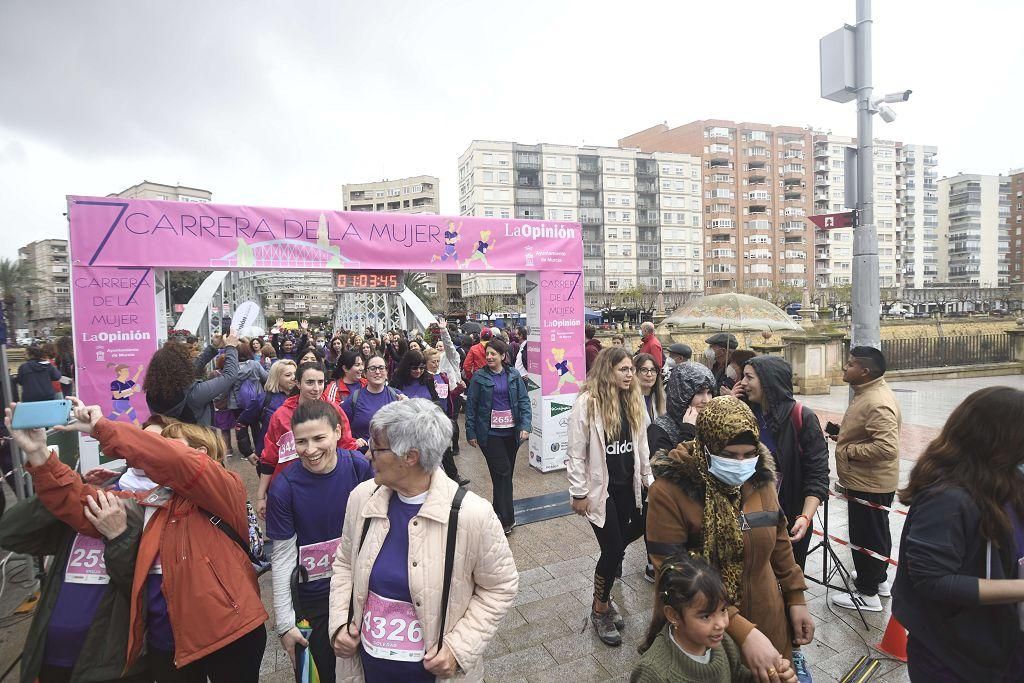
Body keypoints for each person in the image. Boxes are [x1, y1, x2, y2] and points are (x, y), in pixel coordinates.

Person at [8, 400, 269, 682]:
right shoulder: (150, 502)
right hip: (169, 645)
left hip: (228, 634)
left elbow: (175, 461)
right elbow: (79, 503)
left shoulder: (224, 487)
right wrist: (39, 455)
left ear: (200, 453)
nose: (151, 450)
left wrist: (102, 428)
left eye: (165, 443)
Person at [328, 399, 518, 681]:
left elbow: (500, 586)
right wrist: (340, 623)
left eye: (378, 448)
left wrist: (457, 649)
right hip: (368, 670)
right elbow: (344, 564)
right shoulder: (362, 498)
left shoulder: (473, 515)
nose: (368, 454)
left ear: (411, 456)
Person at [646, 396, 814, 679]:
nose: (741, 464)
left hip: (769, 619)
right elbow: (674, 572)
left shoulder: (761, 480)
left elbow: (779, 541)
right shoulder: (669, 491)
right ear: (705, 448)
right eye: (730, 455)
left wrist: (796, 598)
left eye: (749, 454)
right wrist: (741, 630)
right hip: (705, 632)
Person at [0, 418, 168, 683]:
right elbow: (10, 533)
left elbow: (143, 595)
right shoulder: (92, 499)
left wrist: (119, 536)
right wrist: (61, 491)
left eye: (158, 443)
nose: (145, 449)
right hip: (49, 657)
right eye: (141, 440)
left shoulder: (165, 512)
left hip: (110, 668)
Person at [892, 386, 1024, 680]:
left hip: (999, 643)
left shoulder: (1006, 480)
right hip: (953, 655)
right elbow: (933, 581)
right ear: (999, 440)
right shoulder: (947, 497)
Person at [267, 400, 373, 681]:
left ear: (338, 432)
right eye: (301, 441)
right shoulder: (283, 489)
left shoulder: (359, 468)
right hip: (313, 602)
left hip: (360, 592)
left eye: (319, 438)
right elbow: (283, 557)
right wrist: (285, 624)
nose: (310, 450)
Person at [566, 347, 652, 647]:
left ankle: (603, 597)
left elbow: (642, 446)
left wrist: (648, 481)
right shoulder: (587, 404)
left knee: (638, 529)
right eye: (624, 369)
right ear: (607, 370)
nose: (630, 374)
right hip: (600, 491)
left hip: (628, 487)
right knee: (613, 549)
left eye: (631, 369)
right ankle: (600, 608)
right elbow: (576, 453)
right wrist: (578, 492)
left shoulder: (633, 400)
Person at [633, 553, 796, 683]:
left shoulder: (724, 643)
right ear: (673, 615)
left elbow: (739, 676)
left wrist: (772, 678)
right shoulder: (654, 672)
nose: (721, 624)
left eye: (723, 610)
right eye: (705, 616)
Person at [732, 356, 829, 570]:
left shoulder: (802, 418)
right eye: (742, 377)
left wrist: (805, 516)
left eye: (749, 377)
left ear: (768, 381)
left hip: (788, 515)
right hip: (747, 512)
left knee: (787, 576)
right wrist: (730, 405)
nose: (743, 383)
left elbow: (818, 474)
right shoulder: (744, 412)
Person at [830, 346, 902, 612]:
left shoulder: (876, 401)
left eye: (849, 364)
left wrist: (848, 450)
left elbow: (886, 448)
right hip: (868, 479)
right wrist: (844, 435)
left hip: (869, 481)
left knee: (866, 535)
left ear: (864, 370)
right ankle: (878, 580)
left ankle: (868, 594)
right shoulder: (868, 393)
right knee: (876, 532)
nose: (844, 368)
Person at [256, 362, 358, 517]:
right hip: (290, 489)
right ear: (298, 383)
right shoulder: (280, 415)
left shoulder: (334, 411)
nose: (316, 388)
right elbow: (269, 458)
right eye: (310, 382)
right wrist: (261, 496)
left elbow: (347, 447)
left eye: (320, 382)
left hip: (328, 486)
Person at [465, 338, 531, 535]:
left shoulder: (514, 375)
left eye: (494, 353)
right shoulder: (479, 377)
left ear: (503, 356)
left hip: (512, 433)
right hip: (490, 434)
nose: (489, 356)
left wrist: (525, 426)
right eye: (488, 354)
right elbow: (471, 406)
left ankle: (495, 512)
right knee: (502, 472)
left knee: (503, 475)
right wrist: (471, 431)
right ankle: (507, 519)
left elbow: (523, 401)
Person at [144, 333, 240, 426]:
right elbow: (229, 376)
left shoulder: (152, 394)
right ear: (183, 366)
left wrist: (214, 347)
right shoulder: (194, 394)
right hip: (197, 440)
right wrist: (231, 347)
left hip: (169, 439)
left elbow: (194, 366)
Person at [647, 362, 716, 456]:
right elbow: (664, 469)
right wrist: (688, 434)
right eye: (699, 393)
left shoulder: (711, 422)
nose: (706, 400)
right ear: (682, 394)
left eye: (709, 393)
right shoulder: (659, 430)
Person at [423, 347, 469, 486]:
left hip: (444, 416)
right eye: (433, 362)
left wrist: (459, 389)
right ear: (426, 362)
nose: (436, 364)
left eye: (438, 361)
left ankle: (452, 477)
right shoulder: (424, 378)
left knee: (445, 448)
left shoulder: (443, 376)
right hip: (430, 418)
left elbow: (449, 396)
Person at [238, 358, 296, 463]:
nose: (294, 378)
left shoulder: (303, 398)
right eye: (288, 375)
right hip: (268, 459)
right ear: (276, 378)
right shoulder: (263, 399)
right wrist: (247, 451)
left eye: (295, 374)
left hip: (296, 457)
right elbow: (241, 423)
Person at [342, 355, 404, 450]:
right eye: (372, 368)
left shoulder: (397, 396)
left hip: (393, 456)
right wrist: (352, 441)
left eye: (381, 368)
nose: (378, 372)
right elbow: (339, 427)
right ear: (365, 374)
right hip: (364, 457)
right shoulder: (354, 398)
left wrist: (408, 405)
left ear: (387, 372)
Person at [229, 342, 269, 462]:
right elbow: (266, 378)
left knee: (240, 426)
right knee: (256, 425)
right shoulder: (255, 365)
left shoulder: (230, 367)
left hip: (235, 402)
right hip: (254, 401)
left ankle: (245, 451)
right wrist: (267, 366)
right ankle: (258, 449)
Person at [635, 352, 666, 423]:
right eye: (644, 370)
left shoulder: (662, 398)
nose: (649, 374)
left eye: (653, 370)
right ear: (635, 372)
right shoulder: (627, 400)